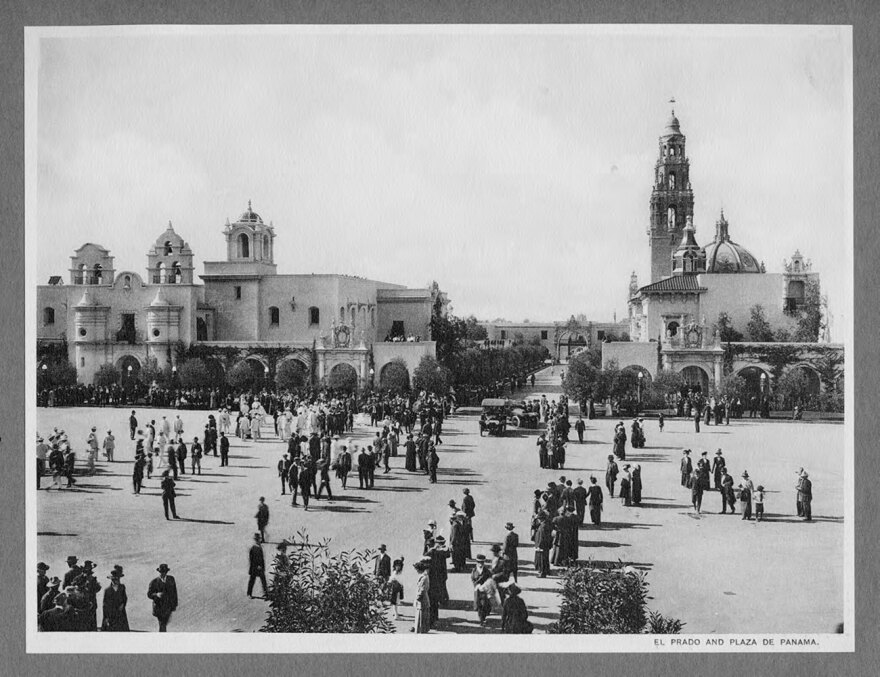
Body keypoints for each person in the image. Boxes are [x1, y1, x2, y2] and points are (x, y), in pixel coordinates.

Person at [147, 563, 178, 632]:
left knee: (165, 623)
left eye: (164, 572)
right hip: (159, 607)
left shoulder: (171, 579)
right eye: (161, 572)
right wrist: (156, 594)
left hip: (168, 607)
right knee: (162, 624)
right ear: (159, 572)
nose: (163, 574)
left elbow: (174, 592)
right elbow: (149, 594)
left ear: (166, 572)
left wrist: (174, 605)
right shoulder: (154, 582)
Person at [101, 565, 129, 631]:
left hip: (121, 613)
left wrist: (123, 604)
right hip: (111, 614)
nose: (117, 581)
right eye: (115, 579)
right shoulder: (107, 590)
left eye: (118, 579)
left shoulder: (122, 587)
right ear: (112, 579)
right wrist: (106, 617)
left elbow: (125, 598)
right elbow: (105, 605)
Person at [471, 554, 494, 625]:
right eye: (479, 562)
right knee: (478, 605)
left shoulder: (486, 571)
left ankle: (482, 618)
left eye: (482, 562)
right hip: (478, 590)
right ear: (476, 562)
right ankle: (481, 619)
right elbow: (473, 579)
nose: (480, 564)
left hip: (485, 591)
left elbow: (490, 579)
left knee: (484, 604)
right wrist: (476, 585)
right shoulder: (474, 570)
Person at [412, 560, 431, 633]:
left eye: (417, 569)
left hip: (422, 600)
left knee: (421, 617)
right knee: (420, 616)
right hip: (421, 600)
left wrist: (417, 598)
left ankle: (420, 630)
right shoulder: (423, 576)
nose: (416, 571)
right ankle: (420, 629)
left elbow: (422, 590)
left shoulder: (424, 577)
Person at [247, 533, 268, 598]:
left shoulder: (258, 547)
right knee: (255, 580)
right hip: (256, 567)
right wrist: (258, 565)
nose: (259, 540)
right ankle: (249, 593)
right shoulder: (255, 548)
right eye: (258, 539)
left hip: (257, 566)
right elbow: (253, 559)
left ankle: (266, 593)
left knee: (260, 580)